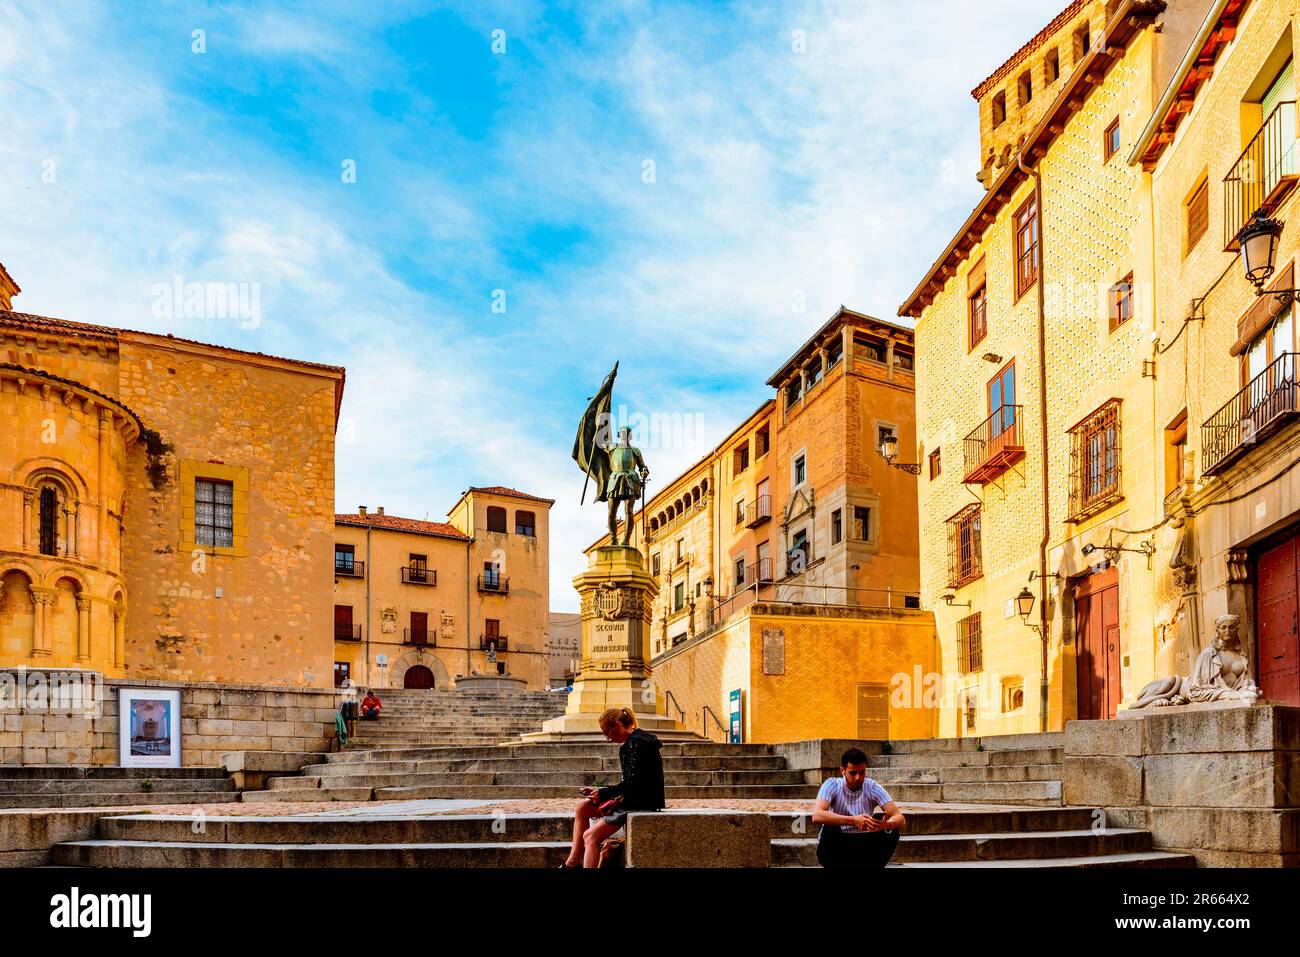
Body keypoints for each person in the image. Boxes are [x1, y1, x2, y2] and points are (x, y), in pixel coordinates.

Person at [561, 707, 664, 868]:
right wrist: (601, 792)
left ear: (617, 725)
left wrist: (603, 793)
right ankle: (572, 862)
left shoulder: (633, 744)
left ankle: (573, 863)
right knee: (583, 808)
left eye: (606, 732)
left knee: (590, 836)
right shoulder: (638, 740)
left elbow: (632, 785)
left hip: (639, 803)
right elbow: (632, 781)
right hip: (638, 798)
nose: (607, 738)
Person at [811, 747, 905, 868]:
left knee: (891, 827)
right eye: (853, 773)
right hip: (836, 846)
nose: (858, 777)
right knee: (830, 824)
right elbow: (817, 815)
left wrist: (886, 825)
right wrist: (853, 820)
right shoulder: (832, 784)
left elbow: (900, 818)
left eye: (862, 772)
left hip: (864, 844)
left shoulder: (872, 786)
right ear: (843, 770)